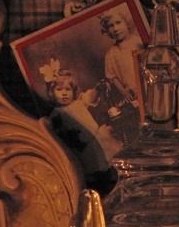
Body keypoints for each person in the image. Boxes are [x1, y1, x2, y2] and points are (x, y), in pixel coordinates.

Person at [39, 60, 120, 191]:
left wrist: (98, 89)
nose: (64, 93)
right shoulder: (56, 114)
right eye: (59, 90)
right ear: (51, 92)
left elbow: (90, 97)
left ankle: (110, 177)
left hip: (96, 139)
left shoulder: (79, 102)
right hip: (81, 147)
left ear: (74, 90)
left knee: (106, 159)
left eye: (67, 89)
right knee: (90, 168)